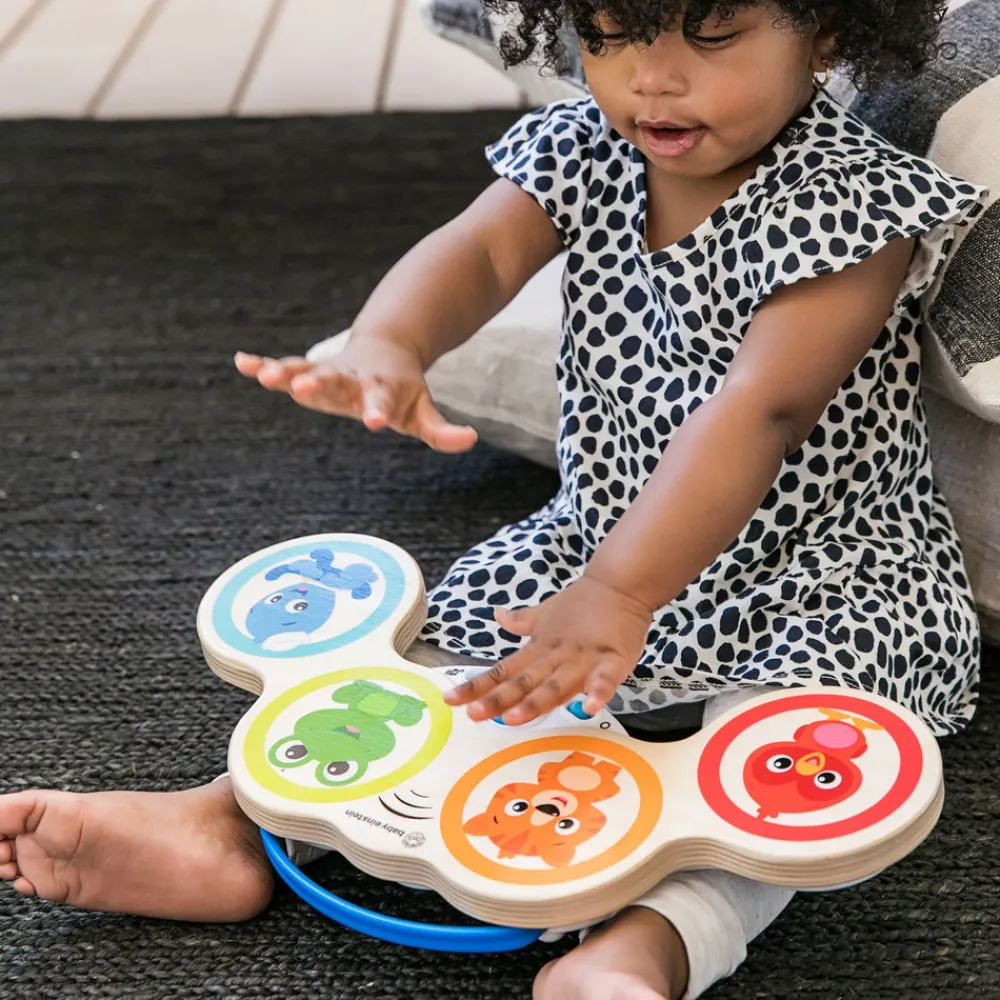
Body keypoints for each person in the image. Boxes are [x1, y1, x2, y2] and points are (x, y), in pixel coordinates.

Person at [1, 2, 990, 998]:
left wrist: (619, 593)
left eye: (710, 34)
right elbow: (475, 252)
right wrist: (392, 341)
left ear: (824, 33)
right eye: (611, 33)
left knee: (784, 763)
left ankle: (650, 942)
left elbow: (761, 410)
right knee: (454, 672)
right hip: (598, 547)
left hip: (822, 572)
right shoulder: (585, 147)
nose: (651, 76)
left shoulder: (855, 209)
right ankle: (233, 822)